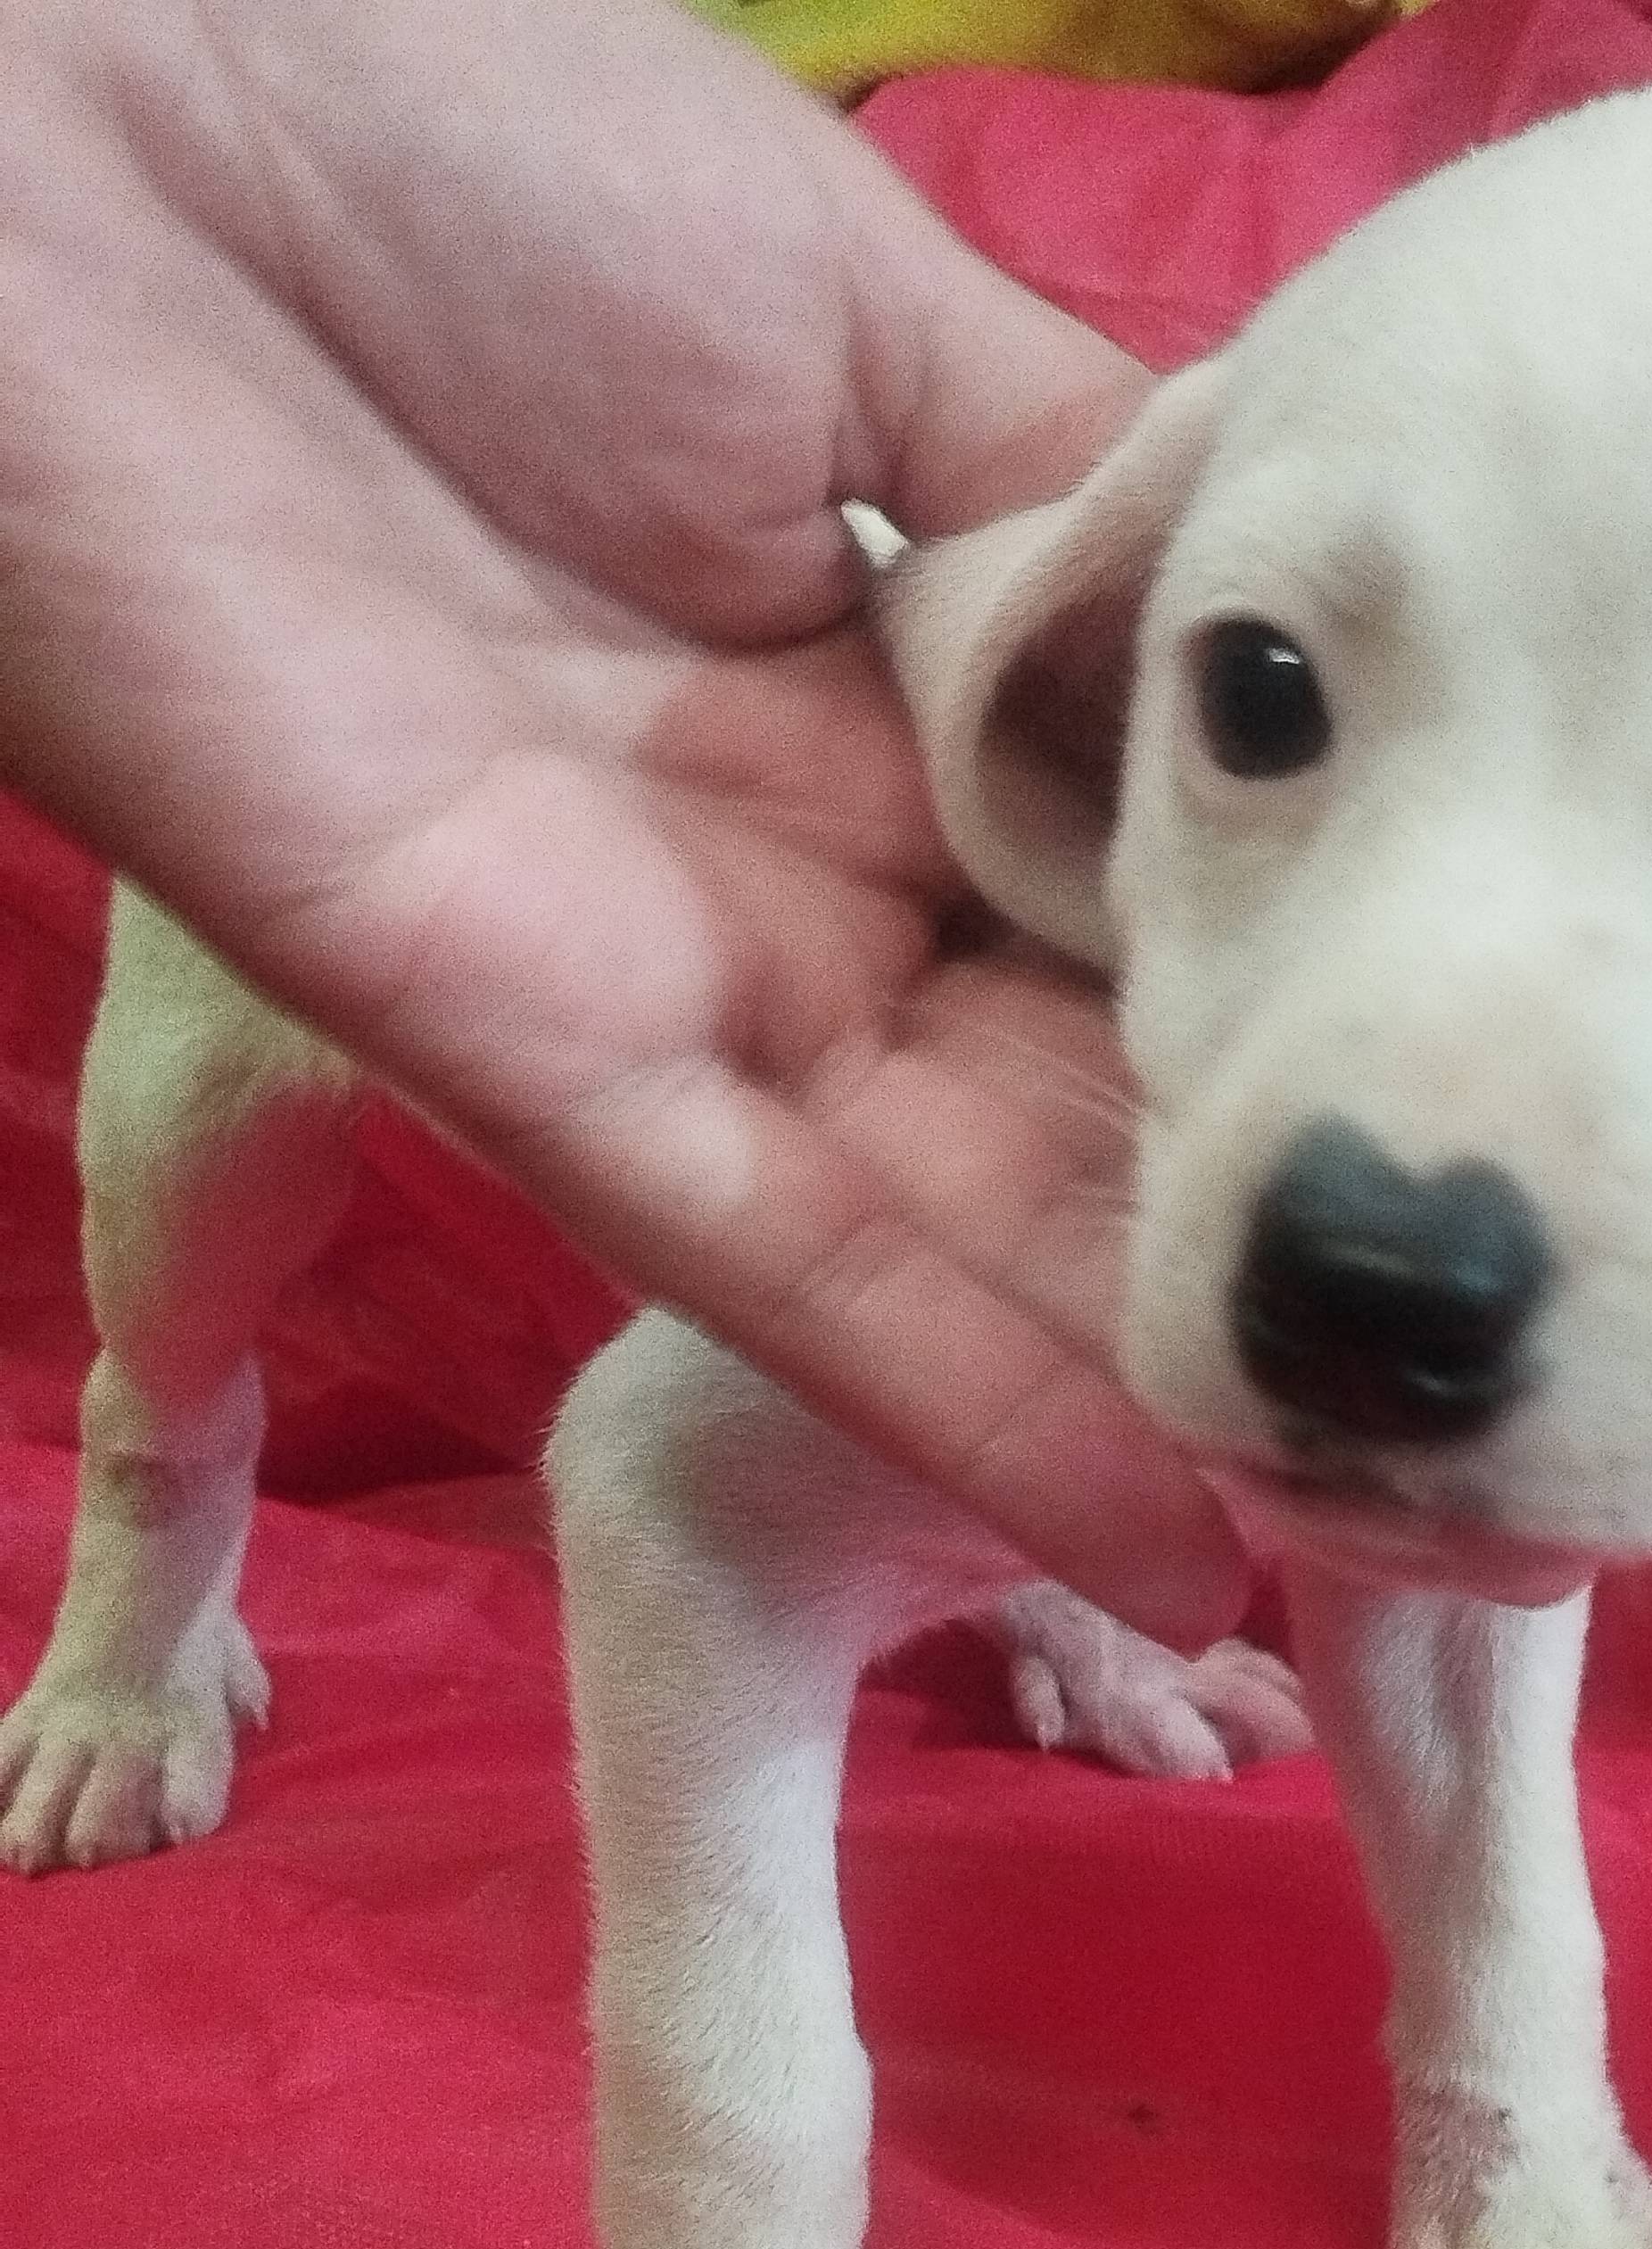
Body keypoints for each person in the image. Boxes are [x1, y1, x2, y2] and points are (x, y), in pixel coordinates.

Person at [0, 0, 1251, 1650]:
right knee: (191, 1203)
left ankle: (1022, 1580)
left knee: (966, 1258)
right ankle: (154, 1498)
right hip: (476, 688)